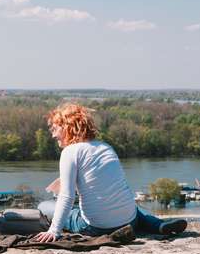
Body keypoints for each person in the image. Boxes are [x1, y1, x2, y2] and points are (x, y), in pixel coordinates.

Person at [35, 103, 187, 243]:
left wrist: (54, 230)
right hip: (129, 222)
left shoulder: (70, 152)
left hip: (96, 228)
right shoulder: (105, 147)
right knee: (128, 205)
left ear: (68, 127)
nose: (53, 135)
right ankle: (158, 225)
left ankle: (156, 225)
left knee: (44, 206)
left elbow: (67, 196)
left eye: (55, 129)